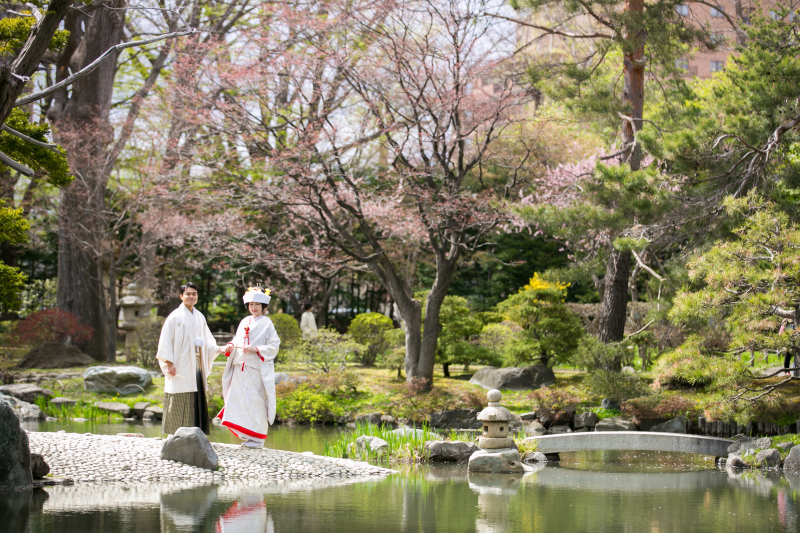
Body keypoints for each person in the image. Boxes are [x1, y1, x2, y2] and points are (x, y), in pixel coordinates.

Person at [156, 282, 225, 435]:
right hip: (180, 363)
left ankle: (194, 433)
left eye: (194, 294)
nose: (191, 296)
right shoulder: (174, 317)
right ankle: (174, 433)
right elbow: (166, 341)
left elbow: (207, 340)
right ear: (181, 296)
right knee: (180, 394)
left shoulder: (199, 316)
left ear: (197, 296)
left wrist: (218, 349)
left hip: (197, 363)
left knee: (196, 395)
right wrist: (169, 363)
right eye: (188, 294)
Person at [218, 286, 281, 448]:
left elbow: (274, 344)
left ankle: (258, 438)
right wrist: (231, 345)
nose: (254, 307)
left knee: (256, 401)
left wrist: (257, 349)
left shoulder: (267, 322)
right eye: (251, 304)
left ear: (263, 307)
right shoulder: (244, 321)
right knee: (239, 400)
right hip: (240, 367)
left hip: (255, 368)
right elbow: (237, 339)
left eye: (257, 305)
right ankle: (247, 435)